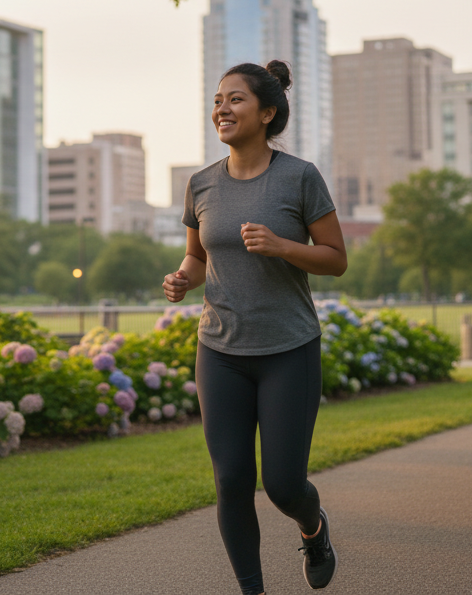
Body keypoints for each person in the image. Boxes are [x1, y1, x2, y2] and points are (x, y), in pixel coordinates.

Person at [163, 60, 347, 595]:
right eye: (219, 99)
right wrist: (182, 279)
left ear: (267, 113)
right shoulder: (200, 184)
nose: (223, 108)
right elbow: (197, 259)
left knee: (284, 485)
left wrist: (281, 245)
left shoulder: (300, 177)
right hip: (219, 350)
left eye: (236, 99)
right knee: (231, 481)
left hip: (287, 348)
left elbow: (335, 258)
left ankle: (314, 529)